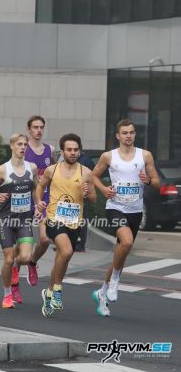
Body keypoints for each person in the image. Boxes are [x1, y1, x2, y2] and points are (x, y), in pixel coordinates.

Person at [91, 119, 159, 317]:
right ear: (118, 136)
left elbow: (156, 182)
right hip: (115, 208)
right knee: (127, 242)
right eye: (125, 133)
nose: (129, 136)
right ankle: (115, 281)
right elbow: (94, 176)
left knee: (120, 252)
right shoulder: (108, 156)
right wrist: (103, 189)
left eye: (131, 132)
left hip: (135, 211)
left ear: (134, 135)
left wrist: (148, 180)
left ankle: (102, 293)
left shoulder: (145, 155)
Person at [36, 133, 96, 317]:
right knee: (68, 251)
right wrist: (39, 201)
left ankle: (49, 292)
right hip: (54, 219)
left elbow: (94, 199)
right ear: (62, 151)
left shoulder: (86, 172)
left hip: (74, 223)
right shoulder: (51, 170)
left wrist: (87, 194)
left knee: (62, 258)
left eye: (75, 150)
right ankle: (58, 290)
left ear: (80, 151)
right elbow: (40, 186)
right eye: (69, 150)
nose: (72, 153)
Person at [0, 133, 38, 308]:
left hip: (24, 219)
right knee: (8, 260)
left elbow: (36, 190)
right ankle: (7, 294)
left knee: (24, 257)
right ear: (12, 146)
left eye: (25, 144)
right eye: (19, 144)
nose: (23, 147)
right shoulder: (2, 169)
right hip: (6, 220)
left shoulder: (32, 168)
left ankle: (17, 267)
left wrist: (38, 205)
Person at [25, 115, 55, 287]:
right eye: (35, 127)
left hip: (44, 199)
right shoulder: (23, 148)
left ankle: (32, 262)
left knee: (44, 239)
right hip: (24, 198)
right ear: (28, 129)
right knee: (21, 245)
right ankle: (15, 266)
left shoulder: (50, 149)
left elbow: (54, 170)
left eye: (41, 127)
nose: (38, 130)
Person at [75, 152, 96, 252]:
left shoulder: (86, 161)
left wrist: (88, 191)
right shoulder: (72, 161)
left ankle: (80, 244)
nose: (72, 152)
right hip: (72, 196)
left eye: (75, 149)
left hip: (84, 196)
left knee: (82, 221)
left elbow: (93, 176)